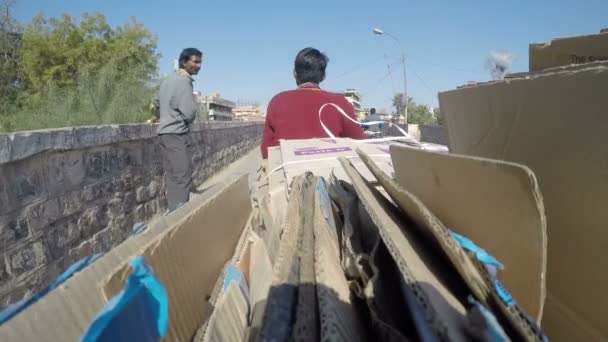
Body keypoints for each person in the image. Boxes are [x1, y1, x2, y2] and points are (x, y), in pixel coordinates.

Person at [260, 47, 366, 159]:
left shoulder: (278, 101)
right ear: (323, 76)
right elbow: (360, 144)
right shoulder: (341, 103)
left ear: (294, 73)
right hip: (332, 172)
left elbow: (266, 151)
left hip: (286, 171)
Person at [152, 48, 202, 212]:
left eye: (199, 62)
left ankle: (173, 211)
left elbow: (155, 104)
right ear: (184, 62)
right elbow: (189, 112)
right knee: (182, 176)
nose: (198, 65)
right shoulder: (183, 81)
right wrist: (189, 118)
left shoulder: (168, 80)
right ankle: (180, 215)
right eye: (195, 62)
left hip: (164, 134)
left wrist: (164, 115)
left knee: (173, 176)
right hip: (176, 134)